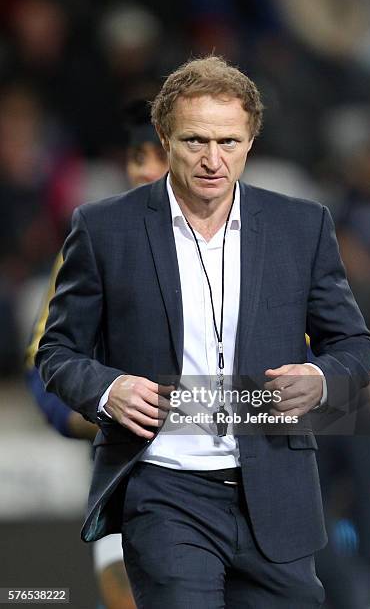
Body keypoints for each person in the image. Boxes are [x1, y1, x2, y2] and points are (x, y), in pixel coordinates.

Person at [36, 56, 370, 609]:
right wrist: (106, 389)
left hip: (278, 492)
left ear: (251, 141)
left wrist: (320, 378)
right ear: (165, 137)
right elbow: (57, 350)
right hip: (164, 492)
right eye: (196, 140)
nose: (213, 160)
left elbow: (355, 346)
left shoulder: (303, 226)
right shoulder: (103, 229)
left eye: (229, 141)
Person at [26, 98, 168, 609]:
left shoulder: (250, 240)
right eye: (137, 157)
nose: (148, 170)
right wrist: (95, 410)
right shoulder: (93, 239)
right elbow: (46, 362)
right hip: (127, 469)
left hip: (234, 477)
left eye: (162, 154)